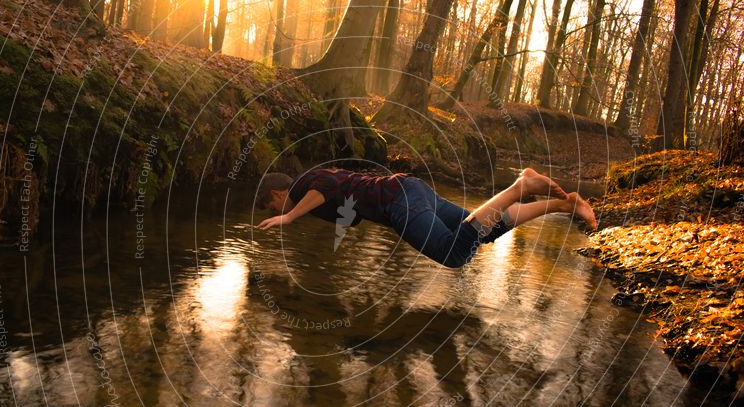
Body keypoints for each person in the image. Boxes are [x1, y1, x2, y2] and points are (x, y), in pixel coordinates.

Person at [254, 167, 597, 268]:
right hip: (410, 190)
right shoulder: (310, 180)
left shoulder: (302, 185)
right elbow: (344, 198)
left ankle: (521, 186)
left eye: (273, 208)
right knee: (484, 232)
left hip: (399, 202)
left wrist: (290, 217)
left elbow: (327, 186)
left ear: (277, 195)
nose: (277, 213)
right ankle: (565, 206)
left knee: (454, 254)